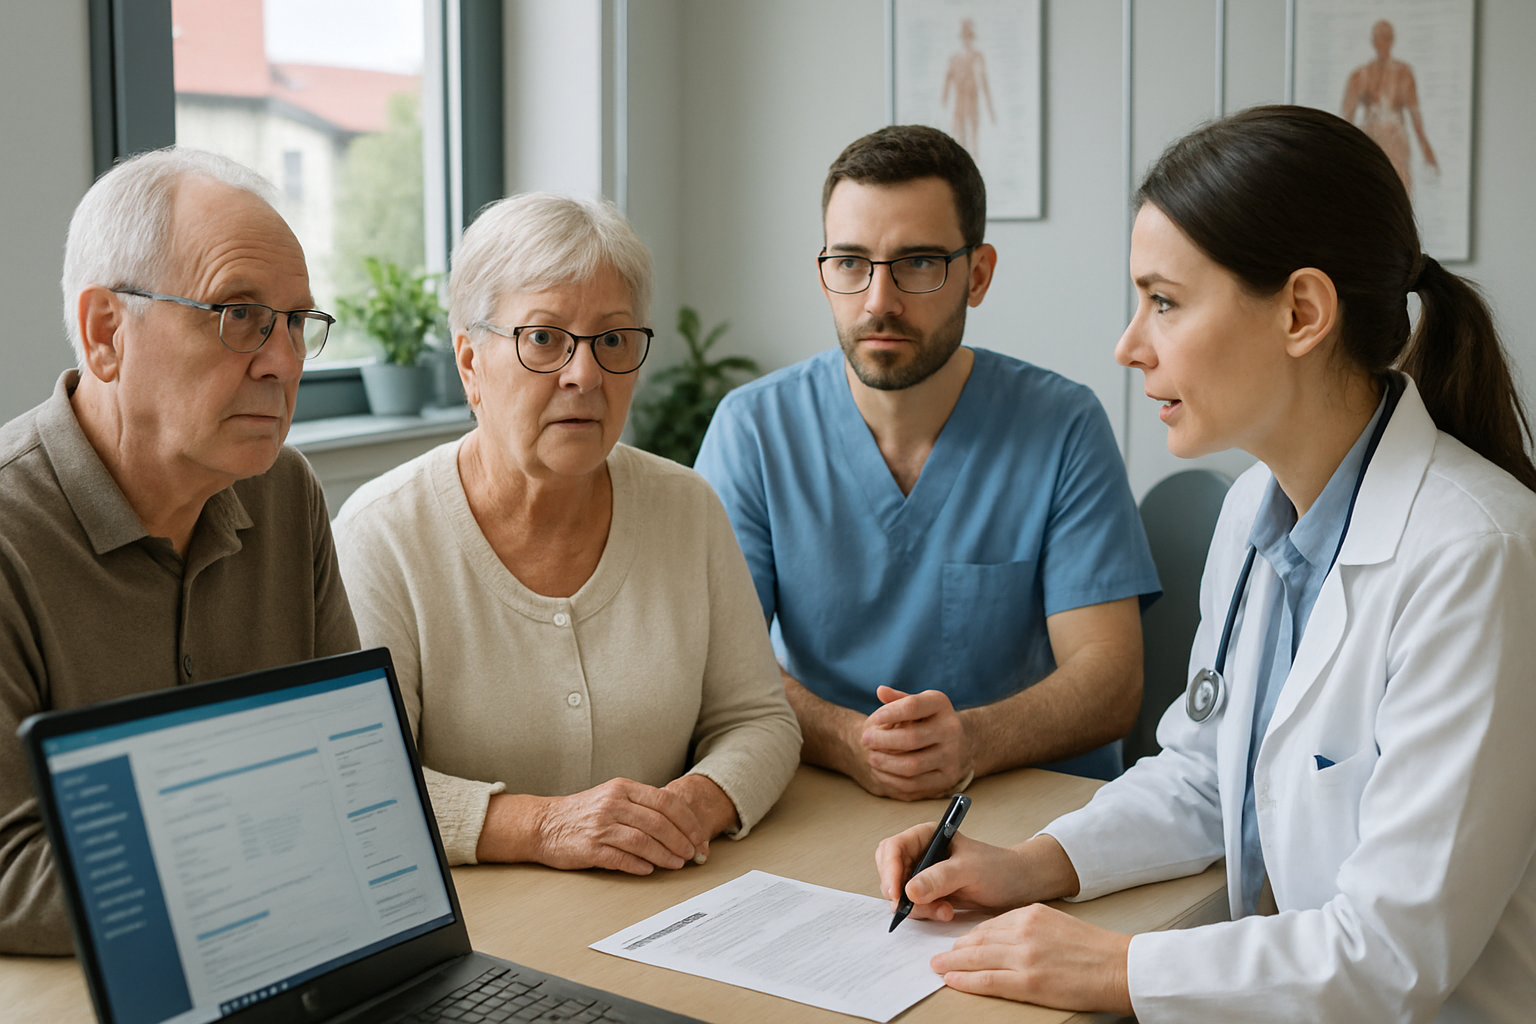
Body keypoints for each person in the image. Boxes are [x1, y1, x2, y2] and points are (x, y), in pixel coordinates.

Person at [875, 105, 1536, 1022]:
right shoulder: (1253, 514)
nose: (1128, 344)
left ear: (1302, 312)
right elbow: (1204, 772)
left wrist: (1117, 969)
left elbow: (1395, 953)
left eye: (1165, 300)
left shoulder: (1478, 556)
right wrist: (1028, 865)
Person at [332, 193, 801, 875]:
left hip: (669, 901)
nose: (584, 375)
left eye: (611, 340)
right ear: (470, 364)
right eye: (544, 338)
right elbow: (360, 782)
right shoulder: (383, 536)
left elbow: (760, 720)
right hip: (486, 941)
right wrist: (543, 826)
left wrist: (688, 810)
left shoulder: (688, 507)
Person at [694, 125, 1159, 799]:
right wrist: (849, 742)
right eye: (851, 263)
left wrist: (972, 741)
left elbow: (1111, 680)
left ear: (978, 275)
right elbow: (722, 670)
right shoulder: (755, 430)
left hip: (1031, 808)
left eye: (917, 263)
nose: (879, 301)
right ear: (824, 274)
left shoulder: (1062, 426)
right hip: (828, 798)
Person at [0, 148, 359, 955]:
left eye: (298, 322)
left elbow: (349, 769)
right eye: (239, 314)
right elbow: (10, 872)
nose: (282, 361)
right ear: (106, 334)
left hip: (287, 958)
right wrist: (279, 844)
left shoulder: (284, 491)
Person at [1340, 19, 1438, 195]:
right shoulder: (1359, 75)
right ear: (1373, 40)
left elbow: (1415, 116)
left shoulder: (1404, 73)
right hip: (1372, 140)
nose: (1382, 42)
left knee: (1399, 194)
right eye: (1378, 37)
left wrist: (1426, 149)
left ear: (1392, 40)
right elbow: (1346, 119)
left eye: (1386, 37)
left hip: (1396, 141)